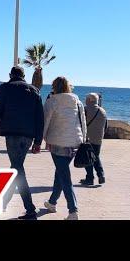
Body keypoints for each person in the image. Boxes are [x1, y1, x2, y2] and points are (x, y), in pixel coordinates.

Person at [0, 66, 44, 220]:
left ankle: (30, 209)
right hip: (28, 136)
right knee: (16, 167)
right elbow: (40, 118)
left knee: (18, 169)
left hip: (12, 134)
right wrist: (38, 141)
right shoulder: (34, 91)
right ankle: (3, 202)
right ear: (24, 75)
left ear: (10, 75)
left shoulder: (5, 88)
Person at [42, 77, 86, 220]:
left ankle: (73, 211)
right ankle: (52, 202)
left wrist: (41, 139)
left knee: (65, 176)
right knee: (60, 172)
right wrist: (83, 139)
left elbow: (46, 121)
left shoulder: (52, 101)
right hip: (75, 143)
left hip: (58, 143)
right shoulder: (77, 102)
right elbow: (83, 122)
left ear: (54, 86)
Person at [80, 92, 107, 186]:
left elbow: (80, 123)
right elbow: (105, 126)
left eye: (86, 99)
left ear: (90, 100)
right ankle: (101, 175)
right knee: (96, 157)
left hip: (87, 138)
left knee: (88, 158)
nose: (85, 100)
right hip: (98, 139)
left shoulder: (85, 109)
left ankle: (90, 178)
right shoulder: (102, 111)